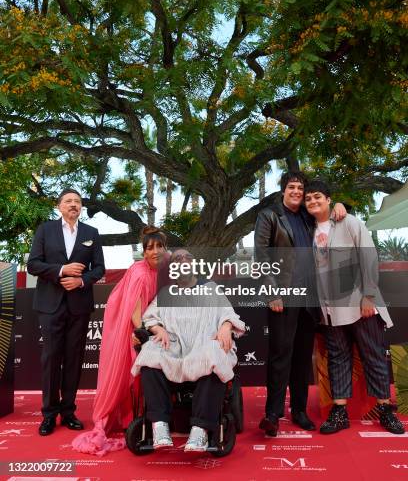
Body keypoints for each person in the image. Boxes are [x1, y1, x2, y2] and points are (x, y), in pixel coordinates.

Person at [304, 179, 405, 435]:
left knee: (373, 356)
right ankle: (340, 413)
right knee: (338, 359)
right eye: (308, 199)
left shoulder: (349, 222)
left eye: (318, 196)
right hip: (329, 309)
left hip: (360, 304)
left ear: (328, 199)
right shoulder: (308, 230)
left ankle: (384, 409)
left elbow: (369, 256)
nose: (313, 201)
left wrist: (369, 296)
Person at [254, 171, 347, 436]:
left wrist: (339, 205)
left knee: (302, 358)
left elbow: (329, 213)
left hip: (310, 298)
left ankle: (299, 411)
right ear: (283, 190)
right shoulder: (269, 216)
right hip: (283, 295)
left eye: (300, 188)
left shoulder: (308, 216)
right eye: (292, 187)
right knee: (280, 355)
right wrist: (272, 293)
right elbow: (262, 256)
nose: (297, 191)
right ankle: (272, 415)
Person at [132, 249, 245, 451]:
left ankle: (200, 431)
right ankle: (160, 427)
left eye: (187, 257)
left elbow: (228, 313)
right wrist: (158, 329)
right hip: (174, 347)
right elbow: (149, 317)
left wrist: (226, 326)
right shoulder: (166, 293)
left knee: (214, 353)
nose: (183, 261)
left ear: (194, 263)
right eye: (177, 259)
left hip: (204, 344)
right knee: (150, 351)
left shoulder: (210, 288)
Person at [72, 226, 169, 456]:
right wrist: (145, 332)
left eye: (159, 247)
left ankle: (138, 417)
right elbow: (135, 313)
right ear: (144, 252)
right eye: (150, 248)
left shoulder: (164, 270)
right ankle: (123, 419)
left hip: (150, 323)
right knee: (129, 371)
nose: (155, 251)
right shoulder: (140, 273)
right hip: (130, 326)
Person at [27, 189, 105, 436]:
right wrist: (62, 270)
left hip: (79, 305)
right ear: (59, 206)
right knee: (51, 358)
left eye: (77, 201)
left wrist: (81, 281)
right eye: (68, 201)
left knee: (74, 358)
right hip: (50, 305)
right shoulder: (45, 230)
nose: (73, 205)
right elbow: (33, 265)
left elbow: (100, 268)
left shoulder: (91, 233)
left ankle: (68, 412)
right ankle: (49, 414)